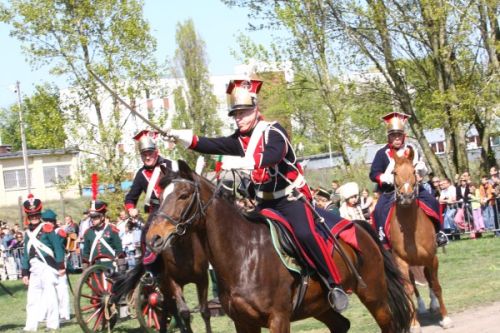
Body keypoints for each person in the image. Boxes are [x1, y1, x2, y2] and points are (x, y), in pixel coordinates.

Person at [167, 78, 348, 311]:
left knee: (304, 232)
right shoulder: (241, 140)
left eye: (243, 113)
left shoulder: (274, 131)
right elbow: (213, 144)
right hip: (265, 202)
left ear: (255, 110)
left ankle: (333, 284)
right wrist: (183, 138)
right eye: (235, 114)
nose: (238, 118)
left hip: (289, 198)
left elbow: (274, 154)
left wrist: (246, 161)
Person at [369, 112, 448, 247]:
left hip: (413, 187)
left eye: (399, 135)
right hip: (391, 191)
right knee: (378, 211)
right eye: (394, 135)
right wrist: (387, 178)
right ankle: (383, 241)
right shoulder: (381, 153)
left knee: (433, 202)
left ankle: (439, 232)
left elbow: (419, 165)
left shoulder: (412, 149)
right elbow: (374, 174)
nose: (397, 138)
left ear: (403, 136)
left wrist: (419, 171)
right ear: (389, 137)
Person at [124, 130, 176, 267]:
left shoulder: (170, 165)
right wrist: (131, 209)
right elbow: (130, 198)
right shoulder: (141, 175)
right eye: (144, 154)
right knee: (145, 237)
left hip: (175, 209)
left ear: (156, 151)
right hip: (156, 212)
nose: (147, 157)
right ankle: (150, 271)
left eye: (150, 153)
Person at [20, 195, 65, 332]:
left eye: (36, 214)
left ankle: (52, 324)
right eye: (31, 215)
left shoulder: (47, 228)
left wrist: (61, 265)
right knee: (32, 298)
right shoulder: (27, 232)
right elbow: (26, 254)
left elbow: (57, 247)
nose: (33, 217)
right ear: (28, 215)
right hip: (34, 268)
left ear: (39, 214)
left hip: (47, 266)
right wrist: (25, 272)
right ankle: (30, 326)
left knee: (50, 295)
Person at [41, 209, 71, 323]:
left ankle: (65, 314)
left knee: (61, 288)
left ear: (52, 222)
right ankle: (49, 313)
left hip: (58, 261)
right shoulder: (44, 231)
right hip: (48, 262)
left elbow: (56, 246)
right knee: (47, 288)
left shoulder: (59, 232)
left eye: (48, 221)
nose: (46, 223)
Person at [82, 200, 124, 269]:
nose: (93, 220)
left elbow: (119, 249)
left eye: (95, 217)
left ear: (102, 217)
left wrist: (121, 266)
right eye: (91, 217)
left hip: (110, 264)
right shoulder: (88, 232)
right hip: (94, 266)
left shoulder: (111, 229)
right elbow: (86, 252)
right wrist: (85, 267)